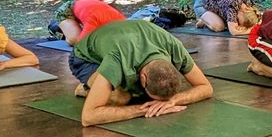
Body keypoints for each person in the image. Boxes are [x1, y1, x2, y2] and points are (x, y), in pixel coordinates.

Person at [69, 19, 213, 126]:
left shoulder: (174, 48)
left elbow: (206, 87)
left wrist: (173, 100)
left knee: (141, 94)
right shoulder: (117, 59)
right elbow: (88, 117)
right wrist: (145, 110)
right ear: (143, 79)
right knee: (121, 98)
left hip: (125, 41)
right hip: (86, 58)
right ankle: (85, 89)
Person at [53, 0, 126, 45]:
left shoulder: (123, 22)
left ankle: (72, 28)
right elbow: (82, 43)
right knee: (75, 41)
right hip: (67, 10)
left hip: (87, 11)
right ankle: (58, 29)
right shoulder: (94, 18)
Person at [192, 0, 260, 35]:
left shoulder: (249, 4)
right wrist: (250, 30)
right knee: (219, 27)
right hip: (202, 4)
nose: (237, 23)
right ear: (242, 12)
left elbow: (259, 20)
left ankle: (209, 18)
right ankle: (204, 20)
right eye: (238, 20)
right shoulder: (232, 5)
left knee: (229, 23)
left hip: (217, 7)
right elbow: (233, 32)